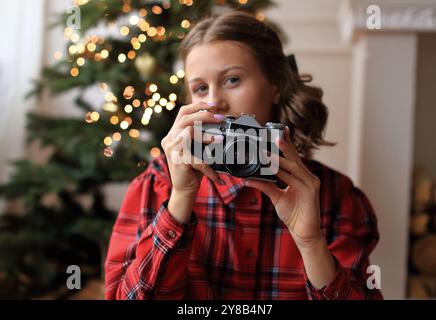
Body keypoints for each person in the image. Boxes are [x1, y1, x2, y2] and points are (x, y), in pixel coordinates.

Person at [104, 11, 383, 300]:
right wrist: (180, 201)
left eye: (232, 80)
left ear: (275, 86)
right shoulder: (156, 185)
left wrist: (311, 243)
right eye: (200, 88)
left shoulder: (335, 196)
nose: (214, 102)